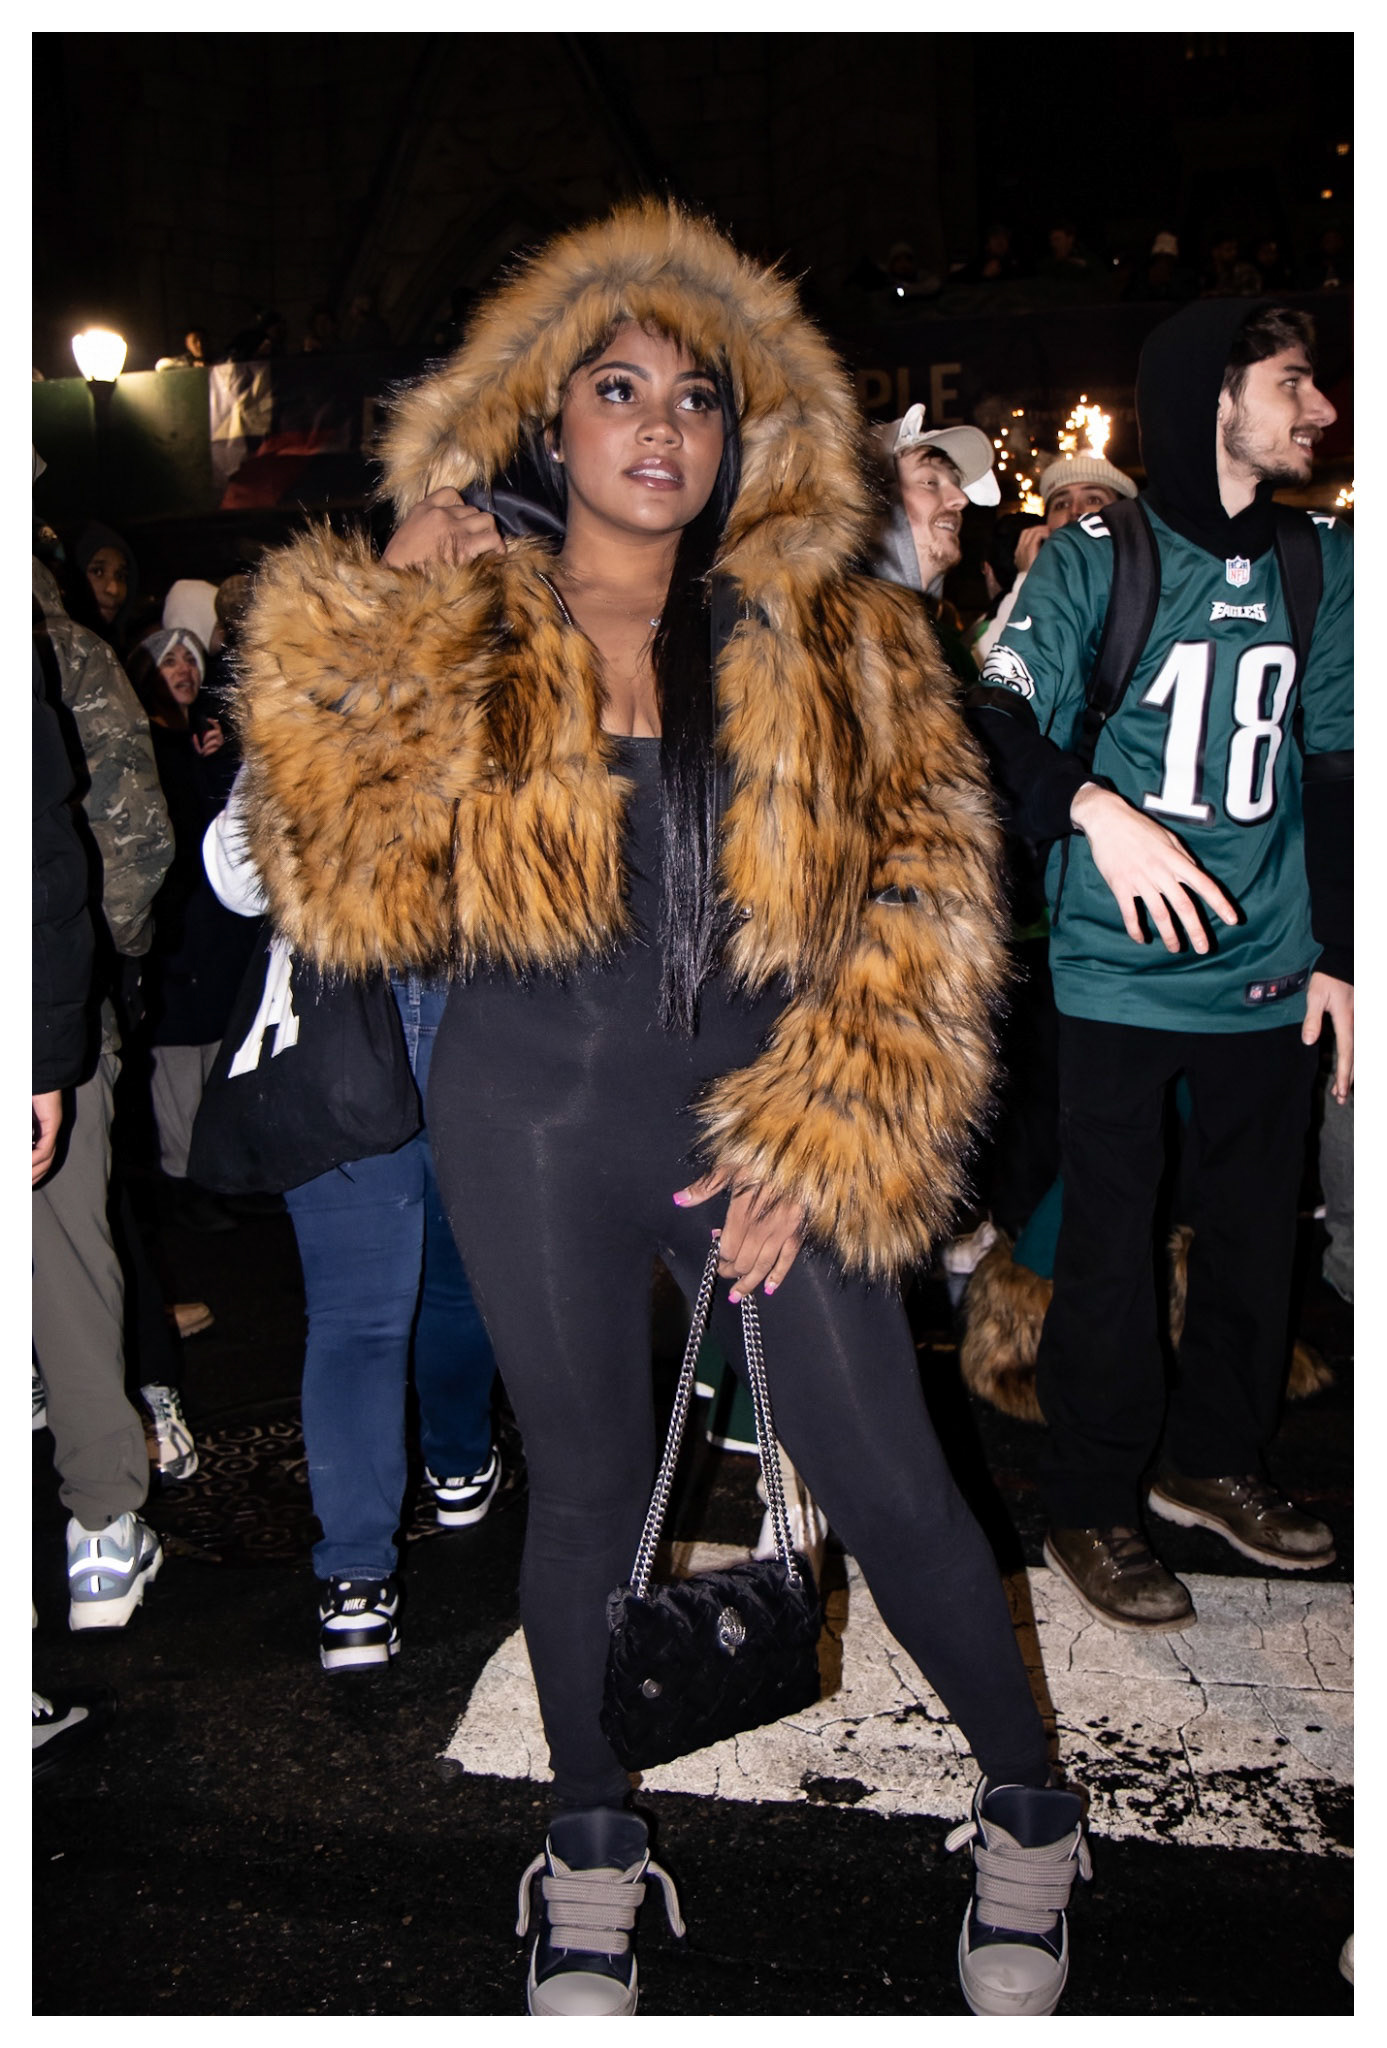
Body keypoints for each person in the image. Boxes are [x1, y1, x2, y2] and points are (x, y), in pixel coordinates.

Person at [233, 199, 1090, 2019]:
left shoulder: (838, 632)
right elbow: (337, 882)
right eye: (615, 388)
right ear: (546, 422)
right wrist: (385, 613)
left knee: (890, 1479)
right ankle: (590, 1845)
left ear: (741, 431)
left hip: (765, 1123)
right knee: (590, 1489)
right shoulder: (472, 616)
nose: (660, 426)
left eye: (697, 396)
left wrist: (821, 1135)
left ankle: (1029, 1806)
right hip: (529, 1116)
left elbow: (928, 912)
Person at [977, 301, 1351, 1631]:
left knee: (1256, 1235)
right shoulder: (1100, 555)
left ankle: (1211, 1460)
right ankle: (1089, 1497)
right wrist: (1093, 809)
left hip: (1271, 964)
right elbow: (991, 715)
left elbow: (1335, 765)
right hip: (1116, 968)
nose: (1319, 408)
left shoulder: (1320, 559)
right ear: (1213, 394)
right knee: (1109, 1244)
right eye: (1292, 382)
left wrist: (1341, 953)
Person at [126, 628, 260, 1228]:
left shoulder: (212, 743)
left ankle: (220, 1174)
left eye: (188, 658)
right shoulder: (143, 747)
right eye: (167, 660)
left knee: (218, 1051)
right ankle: (185, 1181)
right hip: (176, 933)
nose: (182, 668)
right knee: (179, 1062)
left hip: (220, 932)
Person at [870, 404, 1001, 684]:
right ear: (876, 503)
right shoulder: (824, 638)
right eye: (930, 482)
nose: (961, 499)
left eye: (957, 484)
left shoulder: (951, 652)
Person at [973, 451, 1138, 667]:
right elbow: (994, 668)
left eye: (1093, 499)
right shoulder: (1044, 599)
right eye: (1061, 504)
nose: (1075, 511)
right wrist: (1029, 580)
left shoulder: (1152, 589)